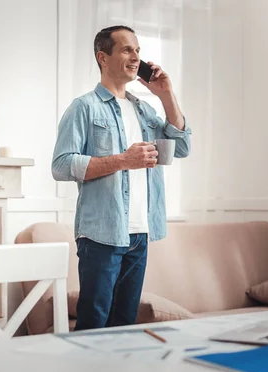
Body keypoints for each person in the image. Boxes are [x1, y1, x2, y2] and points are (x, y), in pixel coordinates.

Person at [51, 25, 192, 331]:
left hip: (139, 233)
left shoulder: (144, 110)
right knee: (94, 323)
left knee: (125, 326)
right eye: (127, 50)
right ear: (103, 57)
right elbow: (61, 165)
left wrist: (167, 95)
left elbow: (180, 147)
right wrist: (123, 161)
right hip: (101, 234)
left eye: (138, 51)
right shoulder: (83, 108)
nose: (135, 57)